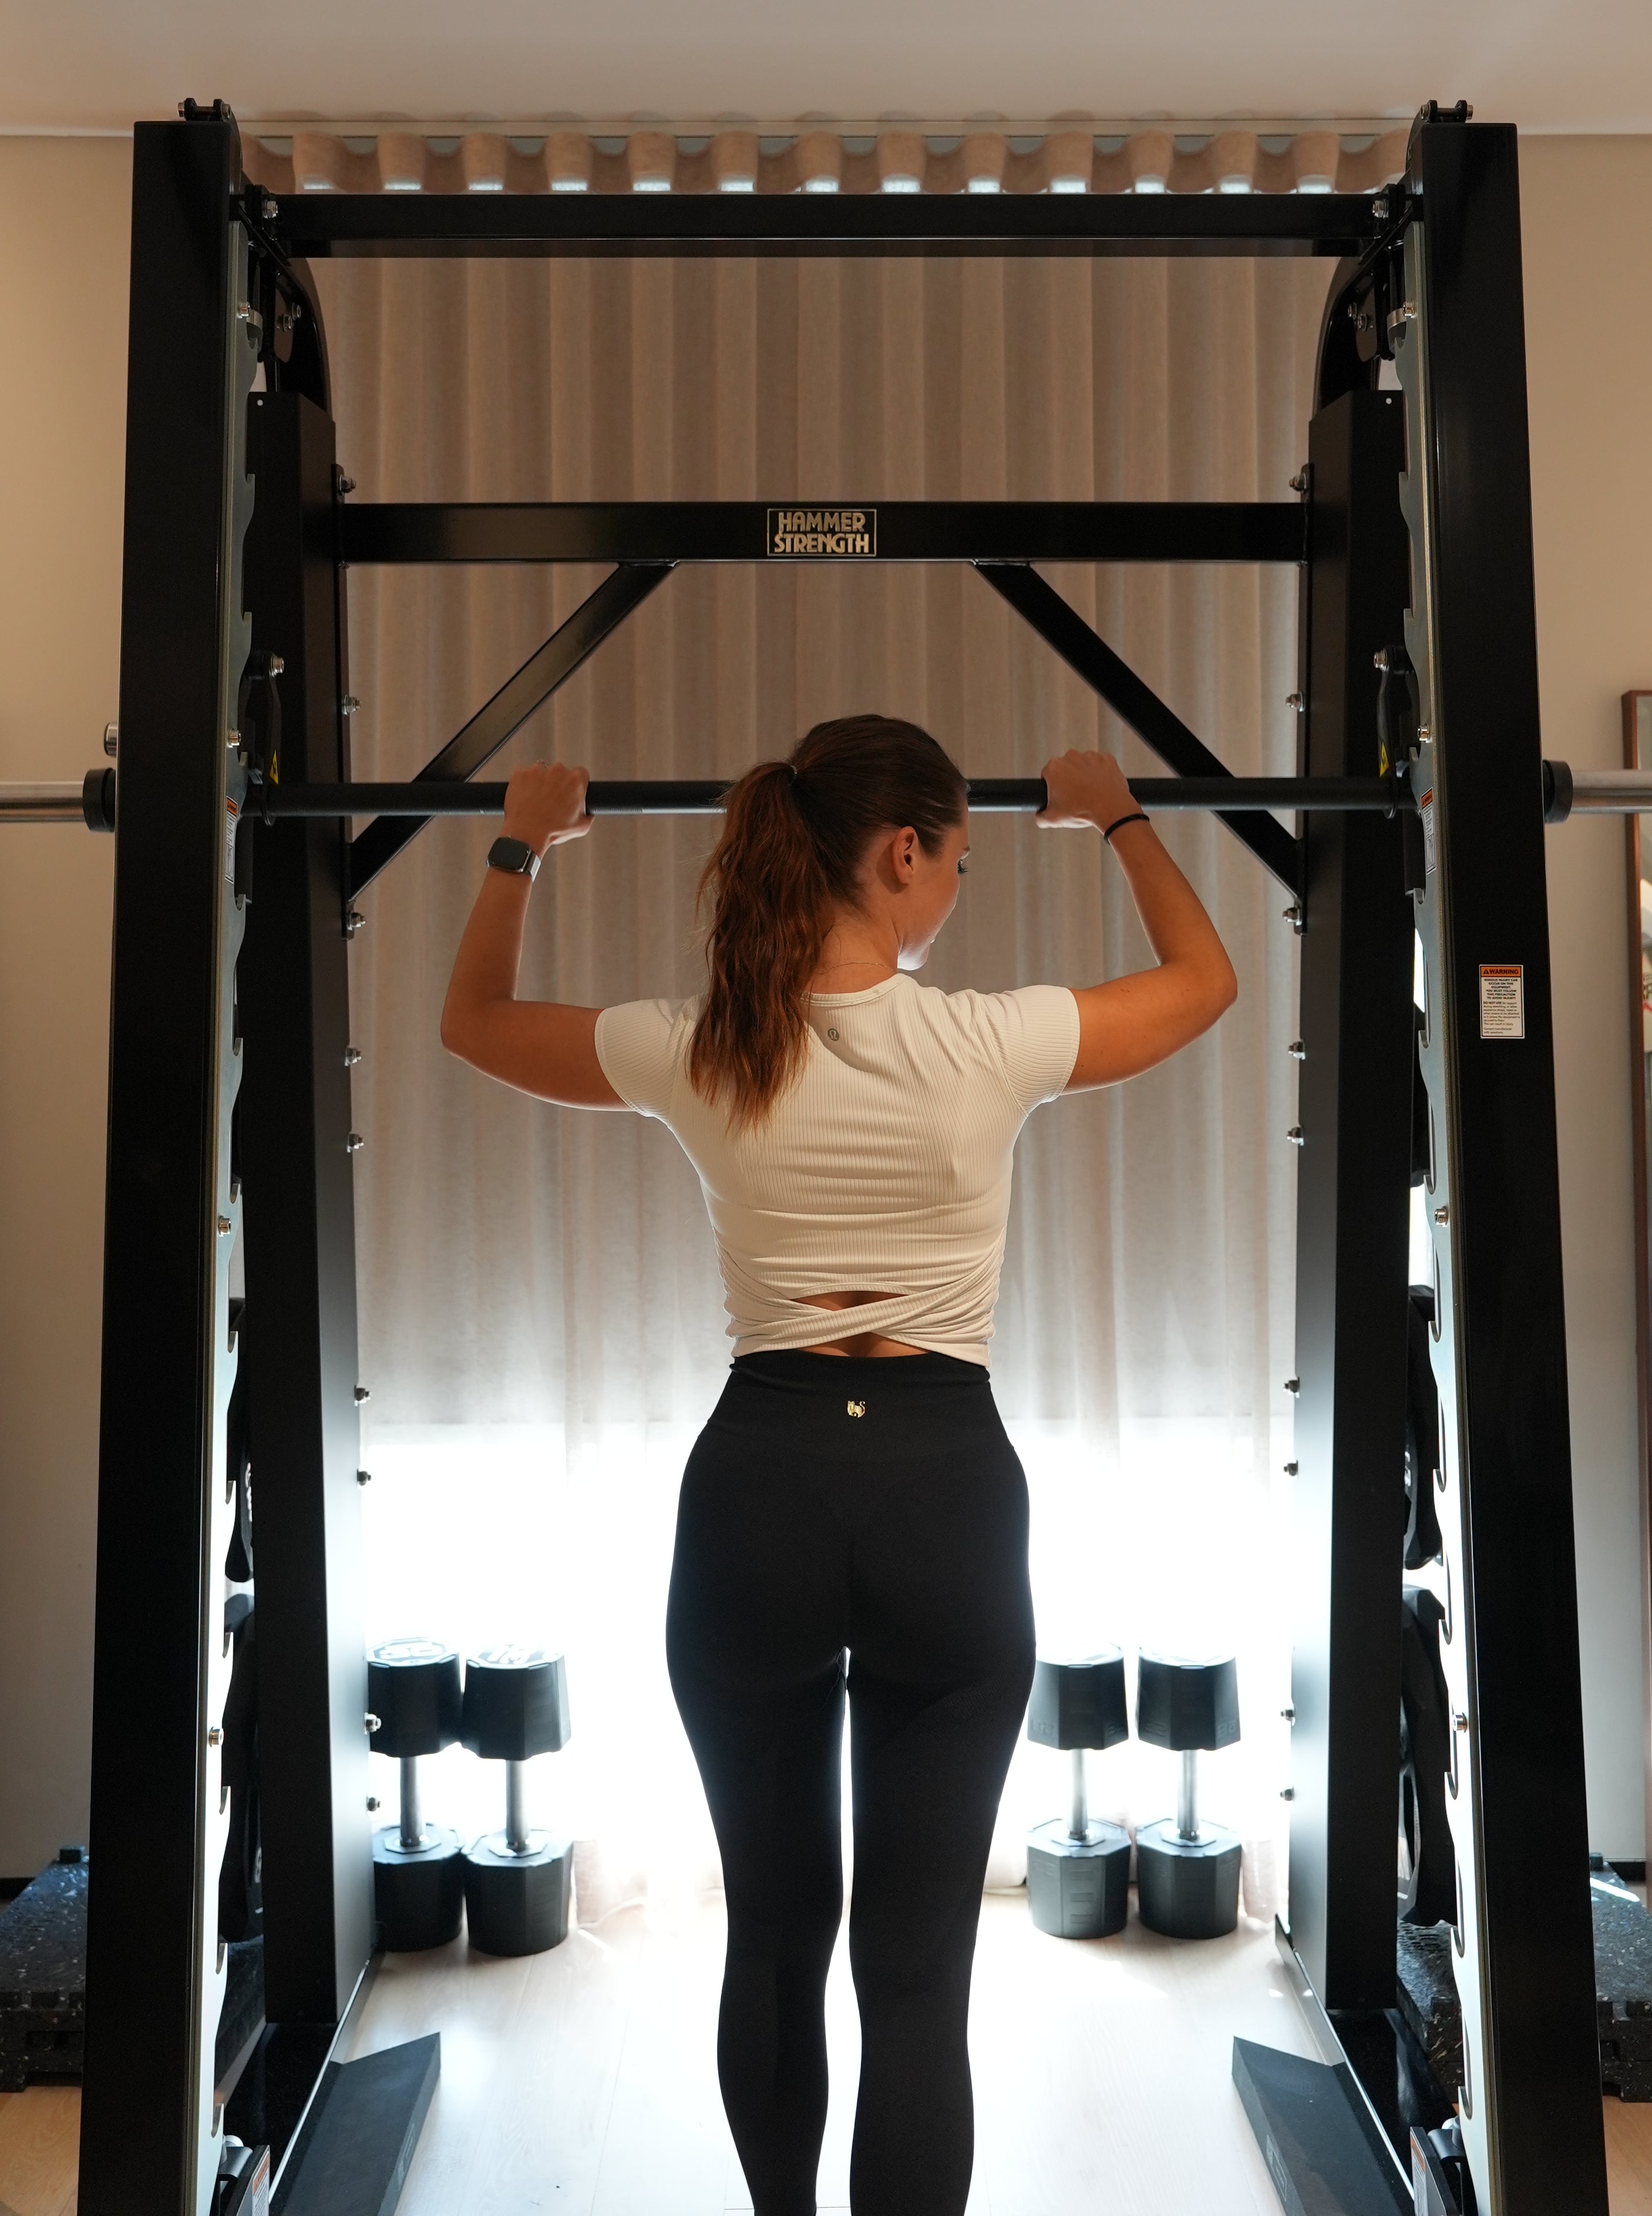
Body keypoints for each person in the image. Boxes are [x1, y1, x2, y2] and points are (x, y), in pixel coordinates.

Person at [440, 715, 1236, 2216]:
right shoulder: (988, 1040)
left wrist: (520, 839)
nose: (956, 893)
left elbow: (472, 1021)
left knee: (777, 1934)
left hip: (762, 1498)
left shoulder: (706, 1039)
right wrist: (1122, 816)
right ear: (902, 854)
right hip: (944, 1495)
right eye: (958, 861)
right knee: (919, 1975)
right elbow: (1207, 982)